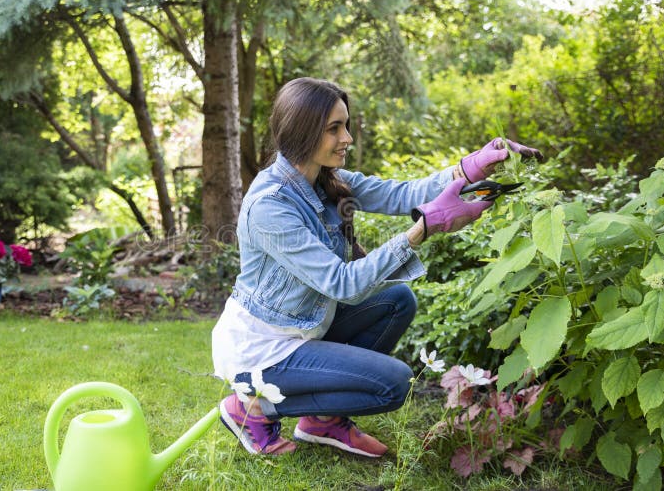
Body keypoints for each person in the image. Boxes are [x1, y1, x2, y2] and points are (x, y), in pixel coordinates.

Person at [212, 77, 542, 457]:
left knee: (397, 299)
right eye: (334, 128)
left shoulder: (325, 181)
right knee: (393, 383)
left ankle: (323, 421)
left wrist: (469, 170)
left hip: (302, 325)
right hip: (264, 348)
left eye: (346, 125)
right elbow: (343, 284)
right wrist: (421, 231)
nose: (347, 137)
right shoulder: (270, 206)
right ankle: (250, 407)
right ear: (301, 131)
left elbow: (402, 194)